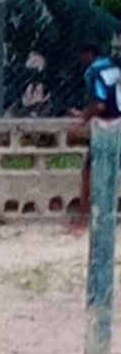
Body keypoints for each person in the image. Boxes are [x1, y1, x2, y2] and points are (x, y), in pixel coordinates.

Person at [69, 42, 121, 232]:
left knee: (89, 171)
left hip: (108, 126)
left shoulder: (95, 71)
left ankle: (83, 220)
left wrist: (83, 118)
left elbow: (100, 104)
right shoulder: (114, 67)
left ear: (89, 54)